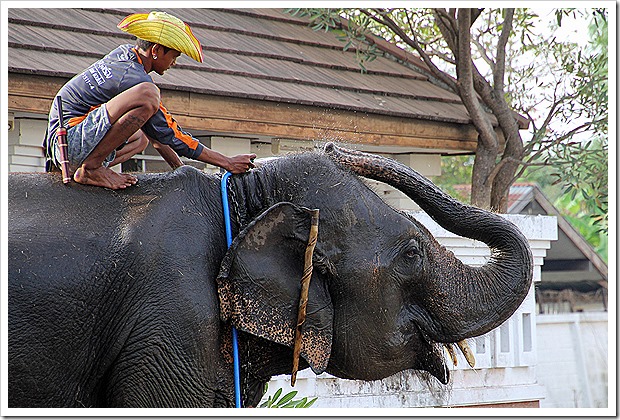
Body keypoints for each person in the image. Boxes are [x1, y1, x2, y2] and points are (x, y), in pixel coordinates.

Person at [43, 11, 256, 190]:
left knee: (141, 138)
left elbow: (158, 136)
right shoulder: (135, 80)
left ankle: (90, 166)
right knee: (149, 95)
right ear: (155, 50)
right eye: (174, 56)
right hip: (68, 142)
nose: (174, 63)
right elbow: (171, 133)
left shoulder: (125, 55)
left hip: (69, 141)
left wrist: (181, 171)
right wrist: (226, 162)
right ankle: (91, 169)